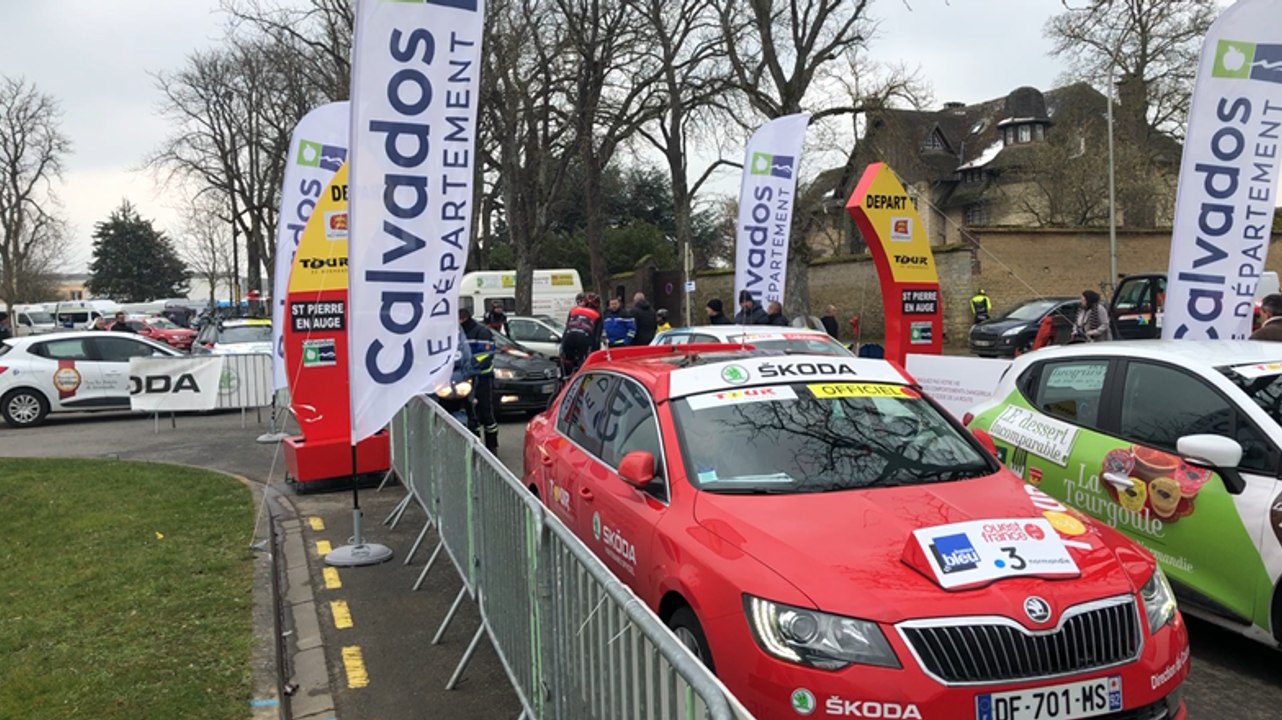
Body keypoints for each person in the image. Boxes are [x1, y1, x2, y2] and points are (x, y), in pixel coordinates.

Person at [459, 307, 499, 452]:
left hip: (482, 378)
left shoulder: (481, 332)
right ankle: (476, 448)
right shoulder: (460, 333)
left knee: (486, 413)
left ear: (462, 319)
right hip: (465, 378)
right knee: (471, 414)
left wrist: (471, 366)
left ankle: (492, 447)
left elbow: (486, 355)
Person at [560, 293, 602, 377]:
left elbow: (567, 327)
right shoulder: (597, 315)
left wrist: (562, 343)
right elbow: (596, 337)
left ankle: (565, 378)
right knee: (582, 362)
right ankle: (581, 377)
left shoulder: (573, 310)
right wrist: (594, 352)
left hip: (569, 336)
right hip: (584, 338)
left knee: (567, 360)